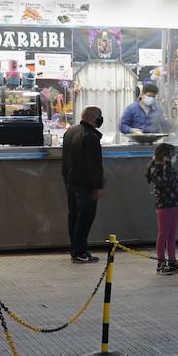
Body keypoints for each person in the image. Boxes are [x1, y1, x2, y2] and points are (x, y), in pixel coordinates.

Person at [62, 106, 105, 264]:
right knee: (85, 217)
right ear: (93, 117)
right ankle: (80, 251)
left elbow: (66, 160)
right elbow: (93, 165)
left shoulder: (71, 131)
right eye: (99, 116)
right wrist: (97, 186)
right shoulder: (90, 136)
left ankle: (75, 249)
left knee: (74, 216)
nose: (101, 119)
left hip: (71, 182)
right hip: (85, 185)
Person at [145, 142, 178, 275]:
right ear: (166, 156)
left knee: (171, 236)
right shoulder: (155, 170)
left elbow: (177, 188)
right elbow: (166, 182)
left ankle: (172, 261)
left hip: (174, 205)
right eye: (172, 155)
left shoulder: (170, 169)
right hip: (164, 207)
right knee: (163, 235)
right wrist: (167, 165)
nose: (174, 157)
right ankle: (161, 263)